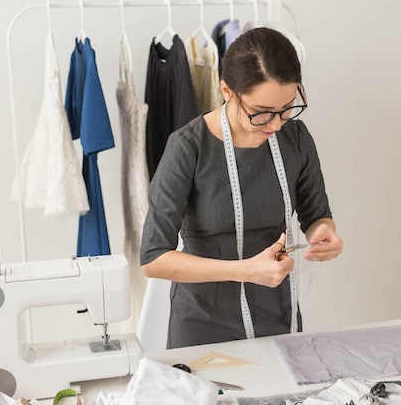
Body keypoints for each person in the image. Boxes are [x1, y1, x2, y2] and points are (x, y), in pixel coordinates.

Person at [140, 27, 343, 349]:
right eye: (261, 113)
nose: (276, 124)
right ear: (227, 91)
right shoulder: (187, 147)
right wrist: (244, 270)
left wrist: (323, 233)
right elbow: (153, 259)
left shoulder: (297, 138)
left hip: (278, 314)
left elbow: (317, 214)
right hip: (203, 323)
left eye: (287, 108)